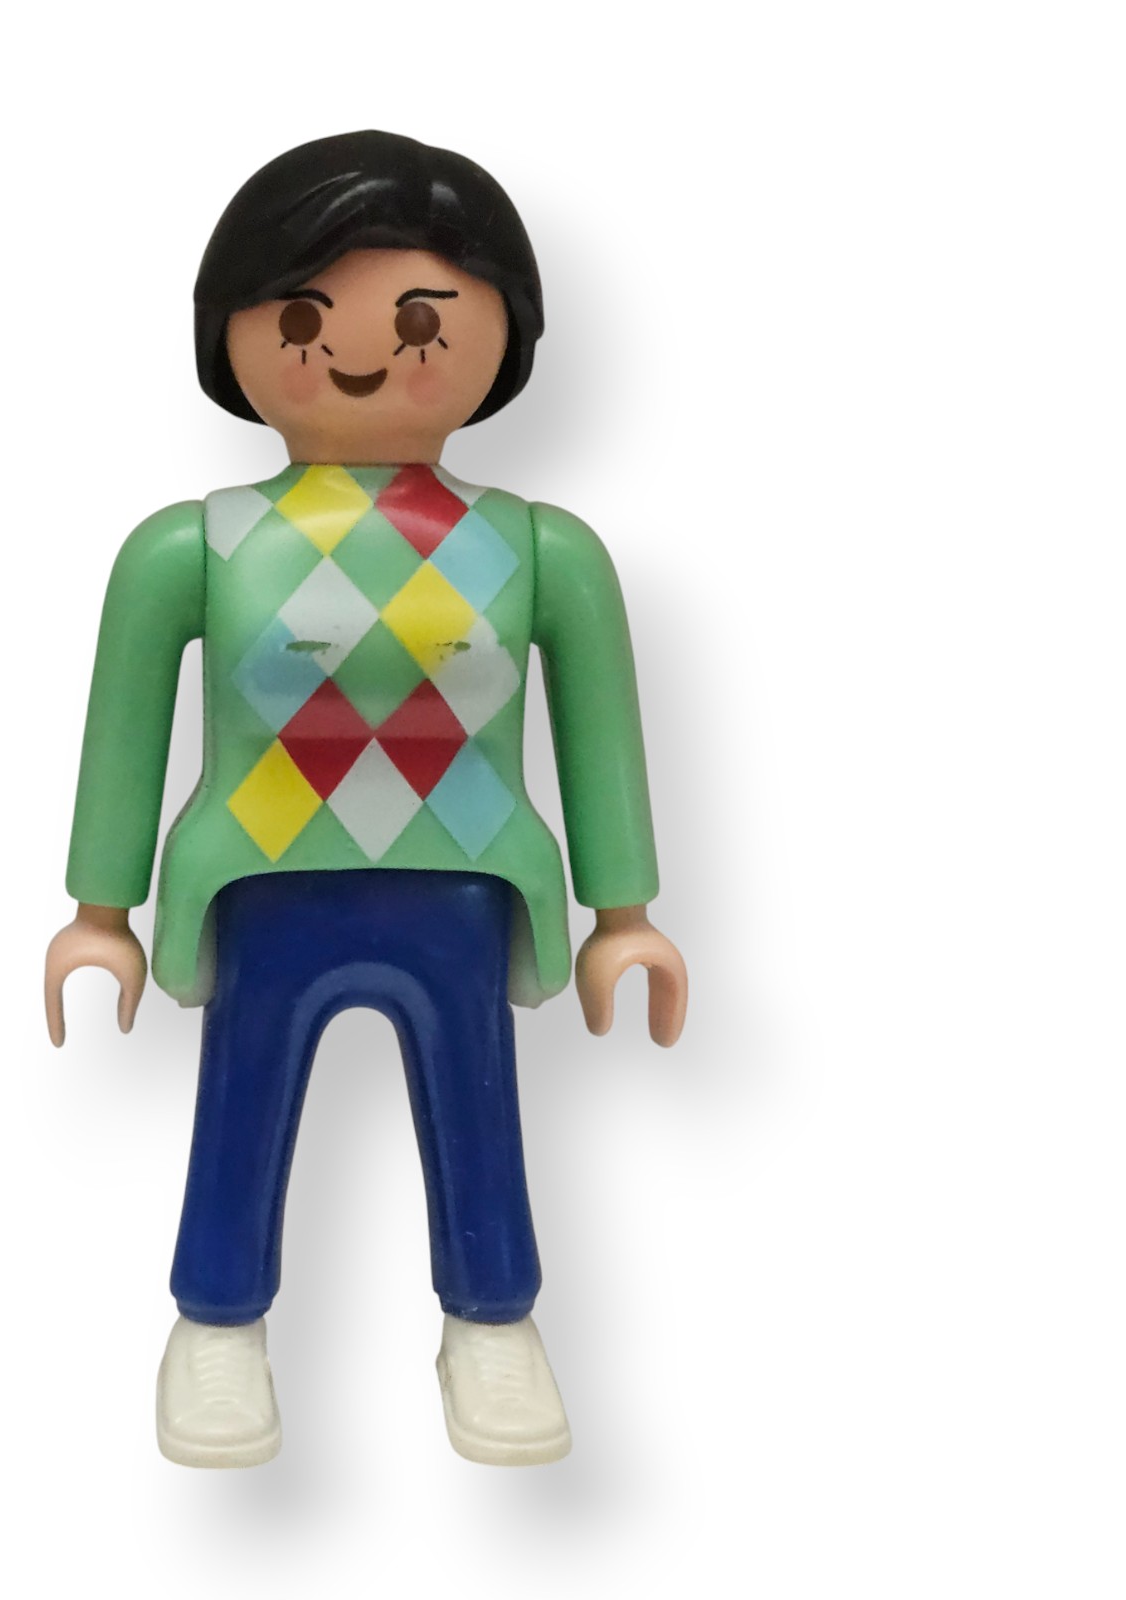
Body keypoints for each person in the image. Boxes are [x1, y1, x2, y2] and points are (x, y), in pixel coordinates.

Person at [44, 130, 688, 1468]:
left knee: (477, 1099)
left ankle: (494, 1319)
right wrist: (99, 911)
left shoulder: (536, 550)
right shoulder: (197, 548)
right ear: (232, 331)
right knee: (242, 1097)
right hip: (261, 873)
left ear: (502, 335)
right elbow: (125, 726)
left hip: (464, 875)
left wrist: (624, 912)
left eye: (420, 321)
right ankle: (217, 1323)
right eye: (301, 315)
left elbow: (600, 726)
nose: (355, 350)